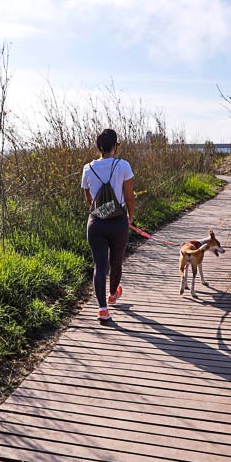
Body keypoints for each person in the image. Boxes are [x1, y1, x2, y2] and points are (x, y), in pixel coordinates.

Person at [80, 128, 135, 323]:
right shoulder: (123, 165)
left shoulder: (88, 168)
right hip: (117, 221)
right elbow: (129, 195)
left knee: (99, 265)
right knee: (116, 262)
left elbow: (88, 195)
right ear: (115, 146)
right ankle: (113, 295)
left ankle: (103, 309)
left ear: (98, 147)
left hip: (96, 222)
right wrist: (130, 216)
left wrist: (99, 209)